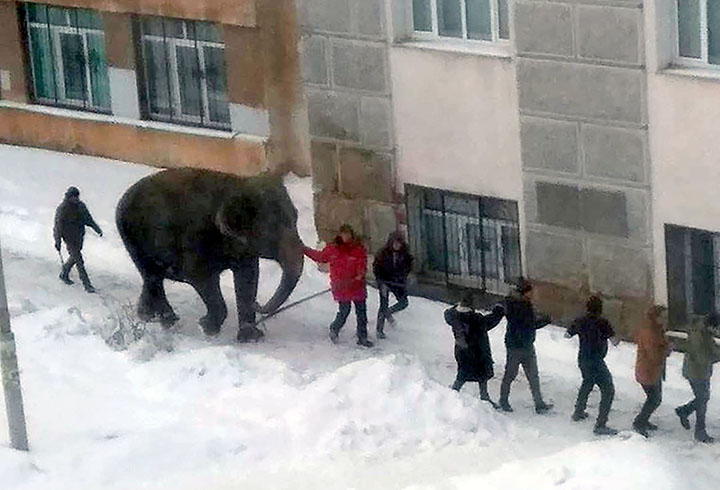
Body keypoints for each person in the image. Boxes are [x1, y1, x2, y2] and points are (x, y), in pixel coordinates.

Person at [304, 224, 373, 347]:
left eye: (347, 234)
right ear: (340, 235)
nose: (345, 236)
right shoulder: (333, 248)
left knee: (361, 312)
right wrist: (304, 250)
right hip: (341, 286)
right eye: (343, 234)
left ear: (351, 234)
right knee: (344, 310)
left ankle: (362, 337)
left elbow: (362, 263)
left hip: (356, 285)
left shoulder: (358, 248)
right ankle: (334, 329)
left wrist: (360, 274)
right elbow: (320, 257)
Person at [566, 295, 620, 436]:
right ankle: (600, 424)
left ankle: (578, 412)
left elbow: (567, 334)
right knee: (608, 390)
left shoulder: (580, 321)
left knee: (587, 382)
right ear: (600, 309)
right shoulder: (603, 322)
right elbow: (615, 341)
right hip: (596, 360)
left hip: (583, 358)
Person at [499, 279, 553, 414]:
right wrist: (546, 320)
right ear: (525, 292)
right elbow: (530, 325)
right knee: (512, 374)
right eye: (530, 292)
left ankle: (539, 403)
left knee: (532, 375)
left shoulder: (518, 303)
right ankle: (504, 400)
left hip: (524, 344)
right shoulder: (520, 306)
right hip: (517, 346)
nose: (532, 294)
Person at [445, 292, 505, 407]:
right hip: (477, 352)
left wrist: (455, 306)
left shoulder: (452, 316)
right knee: (482, 374)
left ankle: (453, 392)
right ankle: (484, 397)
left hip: (461, 350)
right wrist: (499, 310)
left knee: (462, 373)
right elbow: (490, 321)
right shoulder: (475, 319)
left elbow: (447, 312)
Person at [675, 312, 720, 443]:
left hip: (701, 371)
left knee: (703, 398)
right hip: (696, 372)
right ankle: (700, 431)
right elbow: (703, 357)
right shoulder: (698, 335)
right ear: (711, 325)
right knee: (703, 399)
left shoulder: (704, 331)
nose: (717, 331)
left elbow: (710, 348)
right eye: (716, 328)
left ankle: (684, 411)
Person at [54, 186, 103, 293]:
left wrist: (97, 229)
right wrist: (57, 241)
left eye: (77, 196)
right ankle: (87, 285)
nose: (76, 199)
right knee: (79, 261)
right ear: (69, 197)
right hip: (69, 238)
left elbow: (88, 219)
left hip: (79, 236)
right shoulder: (63, 209)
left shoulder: (81, 206)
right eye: (74, 197)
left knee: (74, 257)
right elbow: (58, 226)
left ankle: (64, 273)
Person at [633, 305, 672, 437]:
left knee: (654, 398)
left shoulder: (656, 328)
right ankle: (640, 422)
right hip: (648, 371)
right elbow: (654, 355)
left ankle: (643, 420)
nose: (666, 319)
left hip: (653, 371)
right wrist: (667, 350)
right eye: (663, 316)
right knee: (654, 399)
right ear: (656, 317)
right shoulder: (650, 332)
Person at [373, 231, 413, 339]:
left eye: (399, 243)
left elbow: (408, 268)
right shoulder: (382, 254)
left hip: (398, 282)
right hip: (385, 282)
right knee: (383, 304)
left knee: (403, 302)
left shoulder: (405, 254)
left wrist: (405, 278)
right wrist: (381, 283)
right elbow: (376, 269)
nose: (397, 245)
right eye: (395, 243)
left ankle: (388, 313)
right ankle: (379, 330)